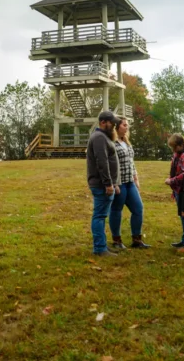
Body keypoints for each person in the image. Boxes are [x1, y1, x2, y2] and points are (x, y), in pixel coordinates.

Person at [109, 118, 150, 250]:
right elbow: (109, 165)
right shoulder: (111, 143)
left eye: (127, 125)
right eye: (124, 125)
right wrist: (113, 183)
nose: (127, 127)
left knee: (138, 209)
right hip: (119, 183)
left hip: (130, 183)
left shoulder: (126, 142)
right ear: (117, 127)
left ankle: (136, 240)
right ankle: (116, 240)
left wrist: (136, 178)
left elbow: (131, 162)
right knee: (116, 211)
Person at [86, 110, 121, 257]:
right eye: (111, 123)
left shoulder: (102, 137)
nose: (113, 126)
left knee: (101, 216)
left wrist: (115, 183)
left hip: (105, 184)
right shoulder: (99, 137)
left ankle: (102, 246)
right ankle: (100, 248)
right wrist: (108, 184)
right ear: (102, 122)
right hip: (101, 185)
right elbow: (102, 162)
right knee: (99, 216)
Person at [164, 133, 184, 250]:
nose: (173, 150)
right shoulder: (178, 153)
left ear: (181, 144)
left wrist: (172, 181)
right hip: (178, 190)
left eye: (175, 147)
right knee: (183, 216)